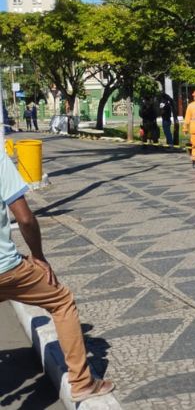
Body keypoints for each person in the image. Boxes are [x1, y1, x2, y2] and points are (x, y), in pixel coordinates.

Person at [0, 152, 115, 402]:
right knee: (61, 301)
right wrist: (38, 255)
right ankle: (82, 382)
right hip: (7, 269)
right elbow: (25, 218)